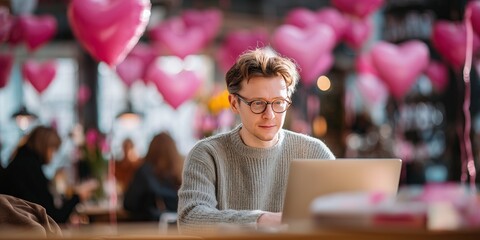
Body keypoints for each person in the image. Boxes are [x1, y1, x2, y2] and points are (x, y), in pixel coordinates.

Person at [177, 47, 335, 227]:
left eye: (278, 103)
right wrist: (261, 220)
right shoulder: (207, 155)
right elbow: (190, 217)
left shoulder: (314, 153)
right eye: (258, 103)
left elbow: (341, 216)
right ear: (235, 103)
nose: (269, 114)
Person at [0, 126, 98, 224]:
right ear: (45, 146)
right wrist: (78, 196)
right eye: (53, 149)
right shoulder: (29, 169)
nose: (53, 156)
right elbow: (53, 217)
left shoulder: (20, 163)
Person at [123, 132, 184, 221]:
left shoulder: (144, 172)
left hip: (147, 229)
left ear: (151, 148)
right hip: (178, 230)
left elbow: (128, 204)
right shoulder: (180, 174)